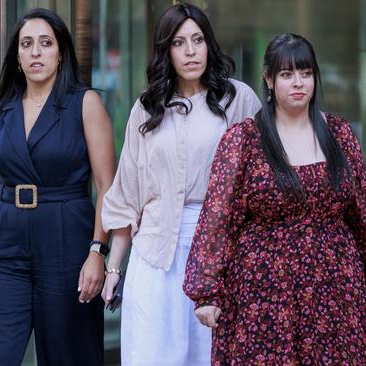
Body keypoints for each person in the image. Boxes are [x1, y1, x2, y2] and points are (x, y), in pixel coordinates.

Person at [183, 33, 366, 365]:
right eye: (287, 74)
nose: (298, 83)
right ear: (269, 80)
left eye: (305, 73)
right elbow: (218, 218)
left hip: (335, 288)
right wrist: (206, 292)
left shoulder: (340, 135)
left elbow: (365, 216)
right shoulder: (243, 139)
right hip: (262, 290)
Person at [100, 3, 261, 365]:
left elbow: (259, 183)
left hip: (220, 255)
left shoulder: (238, 100)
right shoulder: (147, 108)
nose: (191, 51)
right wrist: (114, 269)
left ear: (209, 45)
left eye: (198, 40)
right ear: (166, 52)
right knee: (152, 354)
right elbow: (128, 196)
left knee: (209, 355)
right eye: (179, 42)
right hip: (155, 255)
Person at [0, 8, 114, 365]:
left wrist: (97, 253)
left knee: (68, 355)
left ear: (61, 54)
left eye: (46, 43)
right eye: (27, 44)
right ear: (17, 56)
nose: (36, 52)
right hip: (6, 244)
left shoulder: (85, 103)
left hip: (66, 241)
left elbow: (107, 186)